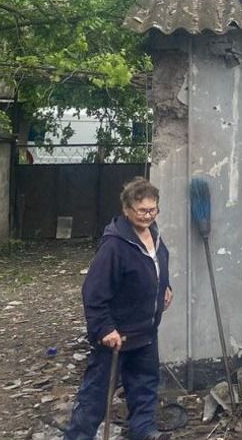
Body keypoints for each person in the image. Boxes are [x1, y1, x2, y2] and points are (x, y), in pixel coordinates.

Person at [64, 178, 173, 440]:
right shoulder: (114, 245)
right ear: (126, 209)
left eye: (153, 210)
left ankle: (143, 432)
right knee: (96, 396)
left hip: (145, 332)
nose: (148, 215)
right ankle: (78, 436)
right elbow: (93, 292)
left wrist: (165, 287)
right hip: (117, 335)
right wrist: (104, 328)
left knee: (145, 388)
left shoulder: (154, 235)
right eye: (142, 210)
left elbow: (157, 265)